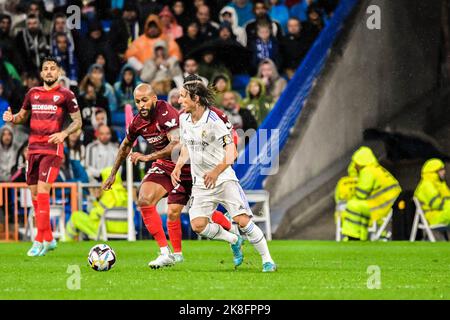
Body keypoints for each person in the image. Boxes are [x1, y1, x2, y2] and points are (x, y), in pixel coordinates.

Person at [102, 83, 232, 269]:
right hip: (164, 166)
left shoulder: (166, 113)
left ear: (154, 99)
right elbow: (125, 147)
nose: (141, 105)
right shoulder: (138, 122)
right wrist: (113, 174)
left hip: (188, 165)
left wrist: (147, 157)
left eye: (145, 100)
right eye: (137, 101)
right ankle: (166, 253)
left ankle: (231, 229)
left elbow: (176, 145)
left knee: (202, 215)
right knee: (146, 200)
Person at [173, 76, 277, 272]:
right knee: (198, 225)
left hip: (223, 179)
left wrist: (215, 172)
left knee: (243, 220)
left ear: (195, 98)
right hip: (201, 183)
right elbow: (187, 145)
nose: (179, 101)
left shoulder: (215, 119)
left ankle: (267, 260)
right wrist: (179, 165)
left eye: (183, 96)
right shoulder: (183, 118)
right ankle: (233, 239)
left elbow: (232, 152)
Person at [2, 56, 82, 256]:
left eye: (52, 69)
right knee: (35, 195)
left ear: (59, 72)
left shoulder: (66, 94)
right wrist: (12, 118)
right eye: (45, 68)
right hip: (33, 149)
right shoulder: (33, 93)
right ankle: (49, 239)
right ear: (41, 73)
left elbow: (78, 121)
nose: (48, 72)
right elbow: (22, 116)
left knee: (44, 191)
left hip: (52, 150)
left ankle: (38, 240)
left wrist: (63, 134)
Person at [341, 147, 402, 241]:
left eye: (355, 163)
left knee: (353, 205)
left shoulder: (367, 171)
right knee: (360, 207)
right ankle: (363, 235)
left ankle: (353, 236)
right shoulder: (377, 169)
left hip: (381, 206)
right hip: (388, 204)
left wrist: (354, 175)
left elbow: (361, 194)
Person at [66, 167, 128, 241]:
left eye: (102, 179)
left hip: (105, 229)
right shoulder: (124, 193)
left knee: (75, 216)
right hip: (124, 229)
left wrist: (93, 203)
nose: (101, 182)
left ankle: (65, 241)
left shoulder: (109, 193)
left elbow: (95, 214)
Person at [414, 159, 450, 227]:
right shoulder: (426, 185)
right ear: (433, 172)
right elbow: (437, 204)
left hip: (442, 214)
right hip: (432, 217)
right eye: (441, 169)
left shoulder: (441, 184)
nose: (444, 172)